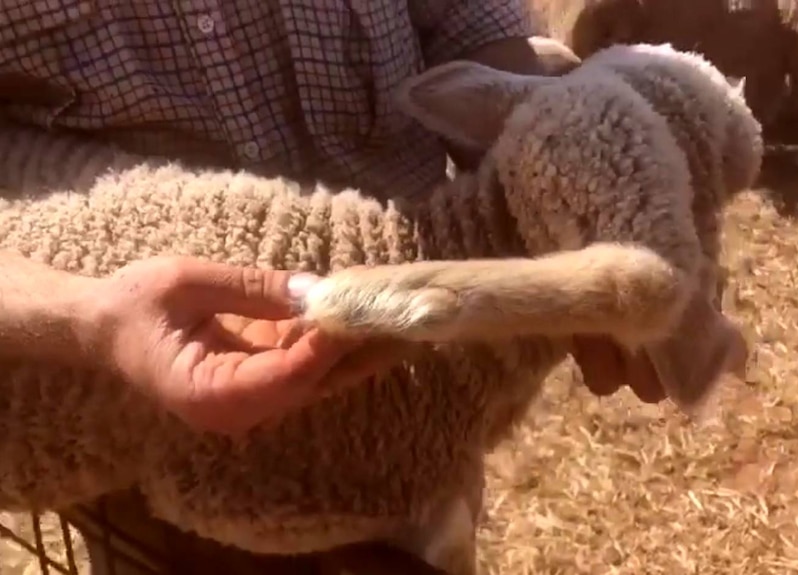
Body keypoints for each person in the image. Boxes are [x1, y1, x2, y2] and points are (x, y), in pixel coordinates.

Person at [0, 0, 663, 437]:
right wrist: (87, 316)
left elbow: (465, 16)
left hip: (414, 381)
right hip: (134, 423)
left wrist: (572, 168)